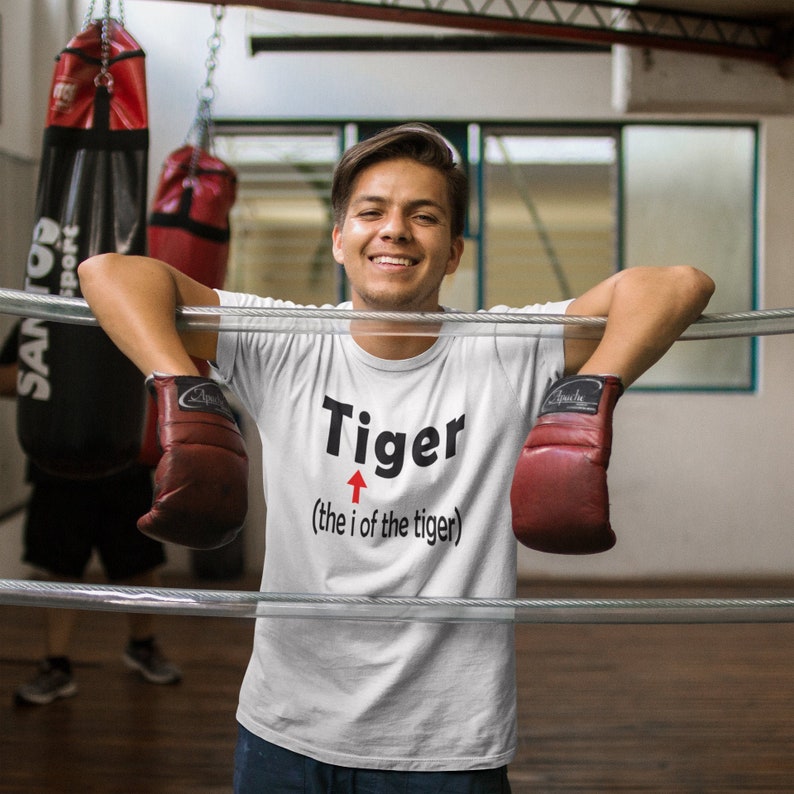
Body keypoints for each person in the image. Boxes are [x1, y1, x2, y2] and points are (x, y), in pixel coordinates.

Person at [78, 123, 715, 793]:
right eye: (372, 211)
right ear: (339, 238)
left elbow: (677, 284)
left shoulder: (501, 350)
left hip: (448, 743)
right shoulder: (290, 342)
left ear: (454, 251)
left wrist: (586, 394)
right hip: (285, 725)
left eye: (424, 215)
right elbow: (111, 273)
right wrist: (183, 385)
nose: (395, 230)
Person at [0, 322, 182, 706]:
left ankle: (142, 646)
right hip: (58, 462)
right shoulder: (40, 317)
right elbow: (5, 379)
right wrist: (58, 367)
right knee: (60, 568)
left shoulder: (124, 313)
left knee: (139, 563)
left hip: (123, 460)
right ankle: (56, 665)